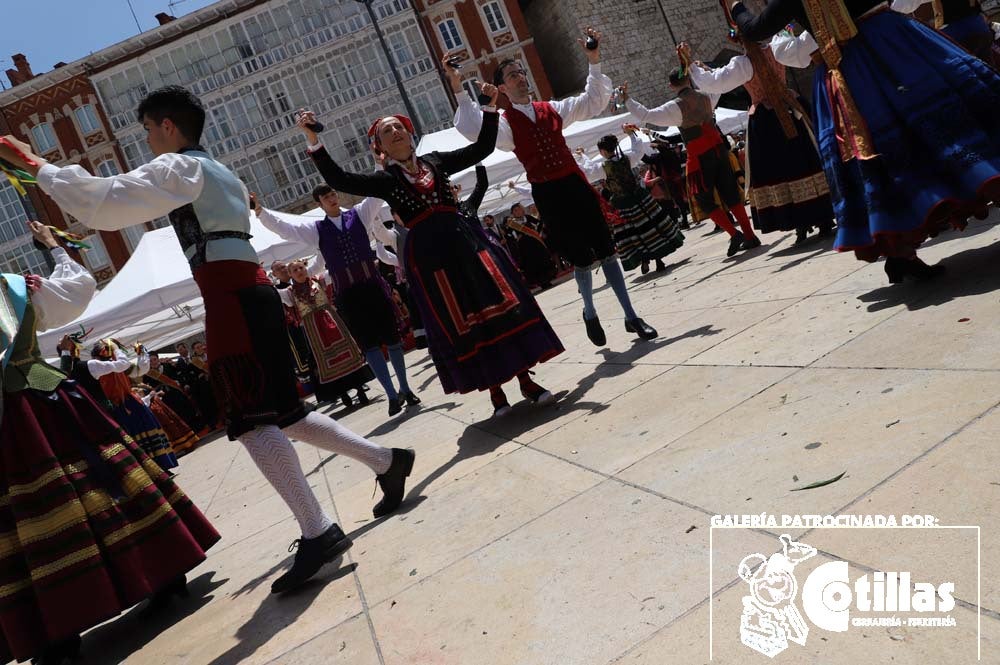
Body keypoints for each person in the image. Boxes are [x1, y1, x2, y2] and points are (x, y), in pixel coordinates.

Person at [0, 85, 415, 594]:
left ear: (169, 127)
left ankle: (319, 529)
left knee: (247, 420)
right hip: (250, 291)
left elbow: (104, 203)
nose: (149, 140)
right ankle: (387, 461)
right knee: (284, 413)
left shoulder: (182, 167)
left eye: (150, 130)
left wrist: (33, 163)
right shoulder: (221, 172)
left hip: (231, 298)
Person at [0, 221, 219, 665]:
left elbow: (76, 290)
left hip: (24, 414)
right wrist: (56, 248)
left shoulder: (15, 289)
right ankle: (163, 570)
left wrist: (57, 249)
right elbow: (78, 288)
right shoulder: (16, 288)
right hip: (45, 398)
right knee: (105, 482)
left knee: (44, 508)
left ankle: (57, 629)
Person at [297, 81, 564, 418]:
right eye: (386, 131)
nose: (395, 132)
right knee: (462, 319)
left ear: (410, 135)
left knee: (497, 305)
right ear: (379, 147)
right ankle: (496, 393)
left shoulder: (435, 161)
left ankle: (526, 381)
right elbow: (340, 179)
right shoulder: (386, 181)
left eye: (399, 126)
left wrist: (488, 106)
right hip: (431, 260)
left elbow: (481, 148)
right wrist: (313, 140)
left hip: (466, 243)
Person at [731, 0, 1000, 283]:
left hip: (852, 68)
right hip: (894, 40)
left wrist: (738, 8)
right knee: (944, 119)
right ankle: (906, 251)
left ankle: (900, 255)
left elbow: (755, 29)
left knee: (878, 150)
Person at [451, 31, 658, 347]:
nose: (520, 77)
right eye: (512, 75)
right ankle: (589, 310)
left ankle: (631, 316)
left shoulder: (552, 108)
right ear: (502, 87)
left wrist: (593, 60)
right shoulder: (504, 124)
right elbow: (472, 129)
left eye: (521, 72)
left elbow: (593, 101)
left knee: (607, 251)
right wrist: (461, 90)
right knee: (581, 259)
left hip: (575, 184)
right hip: (549, 195)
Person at [254, 186, 419, 417]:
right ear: (319, 204)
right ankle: (391, 395)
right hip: (349, 295)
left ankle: (406, 388)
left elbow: (374, 193)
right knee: (369, 345)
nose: (331, 199)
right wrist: (261, 212)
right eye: (325, 197)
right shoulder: (316, 229)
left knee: (392, 338)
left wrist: (378, 161)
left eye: (332, 195)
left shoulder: (359, 213)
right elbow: (285, 229)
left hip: (372, 286)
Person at [683, 34, 835, 246]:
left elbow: (715, 82)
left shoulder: (744, 64)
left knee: (778, 169)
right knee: (805, 159)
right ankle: (823, 215)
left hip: (767, 121)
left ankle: (798, 220)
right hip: (791, 108)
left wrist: (691, 66)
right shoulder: (776, 48)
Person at [623, 71, 763, 258]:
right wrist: (702, 69)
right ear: (688, 80)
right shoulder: (706, 97)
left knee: (703, 199)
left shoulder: (675, 107)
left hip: (700, 156)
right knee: (731, 195)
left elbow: (646, 114)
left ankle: (734, 233)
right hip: (719, 151)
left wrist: (627, 99)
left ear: (671, 85)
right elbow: (718, 88)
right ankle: (750, 235)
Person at [575, 124, 686, 274]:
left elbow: (588, 171)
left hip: (623, 204)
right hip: (641, 199)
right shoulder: (628, 158)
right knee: (652, 226)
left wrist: (581, 157)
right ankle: (659, 260)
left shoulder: (603, 168)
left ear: (602, 151)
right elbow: (638, 150)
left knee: (633, 233)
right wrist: (631, 134)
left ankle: (644, 260)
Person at [278, 258, 375, 409]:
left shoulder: (320, 279)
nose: (299, 271)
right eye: (295, 270)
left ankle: (360, 388)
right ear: (290, 274)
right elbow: (273, 292)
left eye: (301, 268)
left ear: (306, 267)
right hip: (314, 331)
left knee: (347, 352)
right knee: (326, 361)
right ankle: (342, 393)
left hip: (332, 322)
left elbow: (323, 261)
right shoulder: (288, 293)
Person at [77, 338, 180, 473]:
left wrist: (141, 352)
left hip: (132, 404)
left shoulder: (117, 365)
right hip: (117, 408)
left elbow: (141, 369)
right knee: (134, 439)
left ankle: (162, 467)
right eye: (108, 351)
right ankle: (151, 470)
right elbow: (124, 364)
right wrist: (116, 348)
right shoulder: (100, 367)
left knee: (148, 433)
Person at [892, 0, 999, 66]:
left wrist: (887, 11)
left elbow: (902, 5)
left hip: (956, 34)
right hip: (978, 25)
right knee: (990, 73)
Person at [270, 259, 315, 383]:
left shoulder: (300, 280)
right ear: (274, 274)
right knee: (302, 351)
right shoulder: (276, 290)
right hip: (292, 325)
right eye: (279, 269)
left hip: (311, 319)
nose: (283, 269)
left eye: (284, 266)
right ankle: (309, 378)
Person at [504, 200, 558, 289]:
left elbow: (539, 223)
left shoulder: (528, 217)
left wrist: (538, 232)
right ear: (512, 213)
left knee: (542, 260)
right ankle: (540, 282)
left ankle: (547, 280)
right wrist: (516, 237)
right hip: (524, 247)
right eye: (515, 210)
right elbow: (508, 235)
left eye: (519, 209)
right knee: (532, 264)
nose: (518, 211)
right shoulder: (511, 224)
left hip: (535, 243)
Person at [135, 384, 200, 455]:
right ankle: (179, 446)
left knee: (171, 423)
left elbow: (149, 394)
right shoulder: (134, 389)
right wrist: (151, 395)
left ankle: (187, 443)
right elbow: (143, 401)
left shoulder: (140, 385)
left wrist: (154, 394)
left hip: (156, 405)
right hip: (153, 408)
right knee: (167, 426)